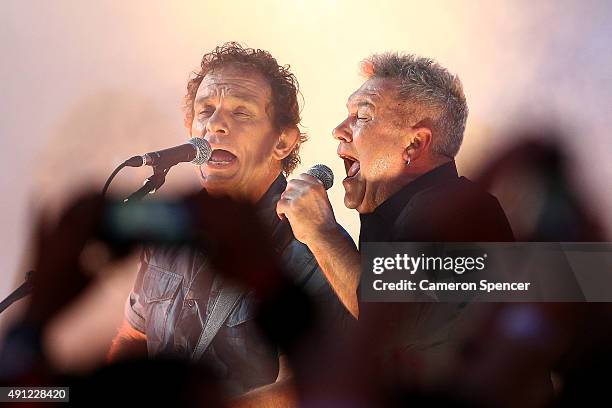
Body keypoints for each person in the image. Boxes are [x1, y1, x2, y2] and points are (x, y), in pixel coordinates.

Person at [108, 42, 350, 402]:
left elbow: (313, 384)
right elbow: (133, 335)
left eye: (241, 112)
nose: (216, 125)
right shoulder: (169, 229)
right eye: (205, 111)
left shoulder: (314, 244)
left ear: (283, 141)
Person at [277, 52, 513, 353]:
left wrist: (322, 232)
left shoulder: (464, 211)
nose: (338, 130)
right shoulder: (391, 226)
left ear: (414, 144)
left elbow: (394, 322)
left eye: (362, 116)